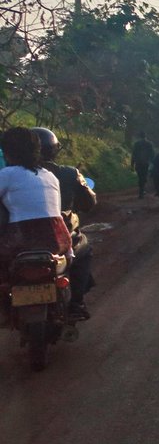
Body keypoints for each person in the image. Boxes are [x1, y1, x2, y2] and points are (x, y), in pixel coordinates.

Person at [33, 127, 98, 320]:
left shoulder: (10, 175)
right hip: (60, 238)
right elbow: (89, 203)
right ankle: (76, 302)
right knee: (84, 250)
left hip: (21, 238)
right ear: (53, 150)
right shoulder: (69, 174)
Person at [0, 128, 72, 292]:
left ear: (7, 153)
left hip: (20, 241)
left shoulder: (6, 175)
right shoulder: (50, 176)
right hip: (57, 241)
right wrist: (69, 252)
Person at [130, 131, 155, 198]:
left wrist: (132, 165)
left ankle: (141, 191)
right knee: (144, 177)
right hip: (146, 163)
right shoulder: (149, 144)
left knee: (140, 177)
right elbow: (152, 155)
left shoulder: (136, 144)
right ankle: (142, 191)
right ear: (145, 136)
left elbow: (133, 155)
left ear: (139, 136)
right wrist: (152, 163)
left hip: (138, 163)